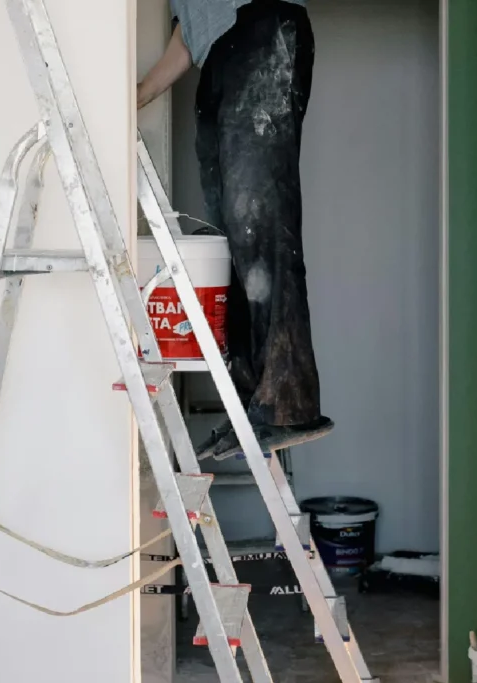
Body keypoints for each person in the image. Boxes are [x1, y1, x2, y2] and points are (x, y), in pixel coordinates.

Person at [137, 0, 333, 459]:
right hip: (220, 57)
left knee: (260, 226)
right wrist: (139, 94)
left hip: (262, 34)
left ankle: (289, 403)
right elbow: (191, 36)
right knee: (235, 237)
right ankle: (253, 400)